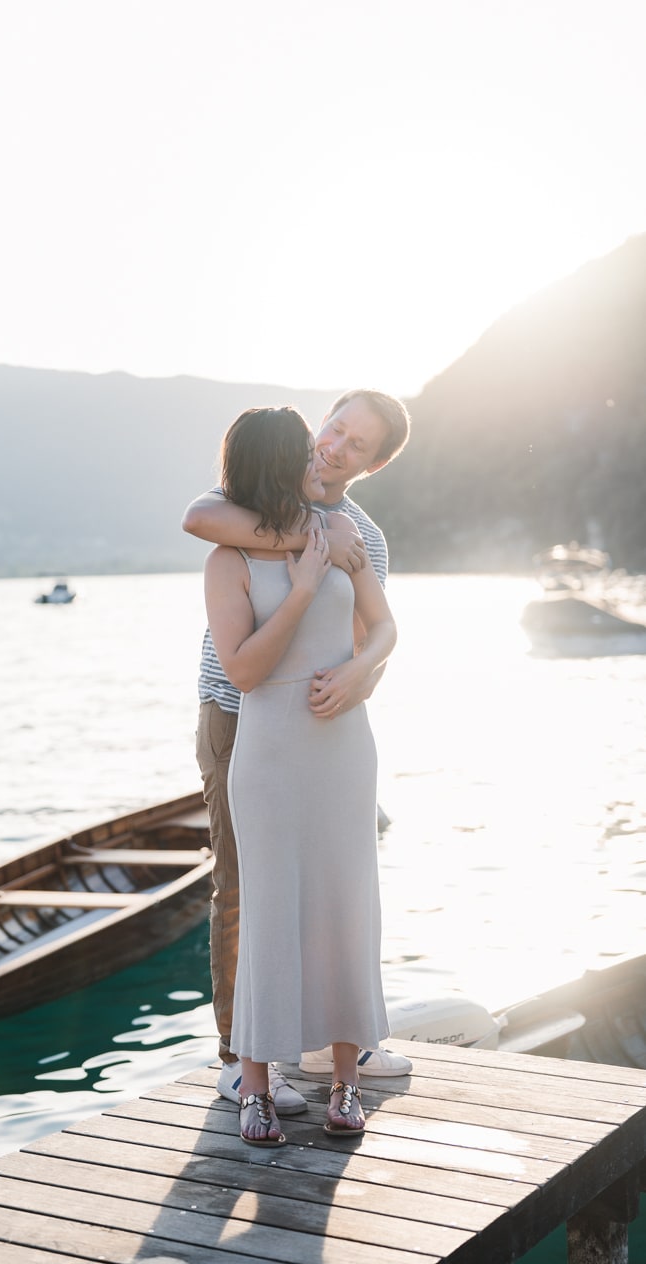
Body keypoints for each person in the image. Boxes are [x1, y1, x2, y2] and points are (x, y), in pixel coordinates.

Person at [183, 389, 412, 1116]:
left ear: (372, 464)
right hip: (235, 711)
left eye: (355, 444)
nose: (335, 446)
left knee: (336, 888)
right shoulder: (253, 498)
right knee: (245, 887)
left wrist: (360, 678)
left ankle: (339, 1042)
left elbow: (373, 631)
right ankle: (240, 1057)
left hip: (321, 724)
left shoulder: (365, 537)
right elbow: (199, 519)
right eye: (335, 427)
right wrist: (308, 542)